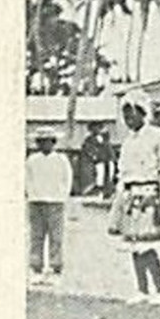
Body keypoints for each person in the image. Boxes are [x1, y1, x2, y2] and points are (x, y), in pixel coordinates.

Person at [108, 89, 160, 305]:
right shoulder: (128, 142)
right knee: (134, 246)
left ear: (143, 113)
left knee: (148, 245)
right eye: (125, 116)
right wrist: (119, 201)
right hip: (130, 194)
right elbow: (123, 173)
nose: (129, 120)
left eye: (133, 114)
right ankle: (142, 289)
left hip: (149, 193)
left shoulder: (158, 137)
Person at [25, 130, 72, 285]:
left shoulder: (61, 160)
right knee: (36, 236)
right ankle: (36, 269)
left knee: (56, 236)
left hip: (55, 202)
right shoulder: (32, 160)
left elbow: (67, 179)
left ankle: (55, 269)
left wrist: (62, 196)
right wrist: (32, 195)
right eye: (41, 141)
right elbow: (27, 179)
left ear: (53, 142)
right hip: (36, 202)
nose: (44, 144)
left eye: (48, 141)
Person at [79, 122, 114, 197]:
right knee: (98, 177)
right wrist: (94, 155)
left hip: (106, 162)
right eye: (93, 127)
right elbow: (88, 151)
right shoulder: (88, 141)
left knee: (108, 177)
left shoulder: (105, 140)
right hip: (95, 163)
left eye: (98, 127)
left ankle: (107, 191)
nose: (96, 129)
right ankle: (96, 190)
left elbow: (109, 151)